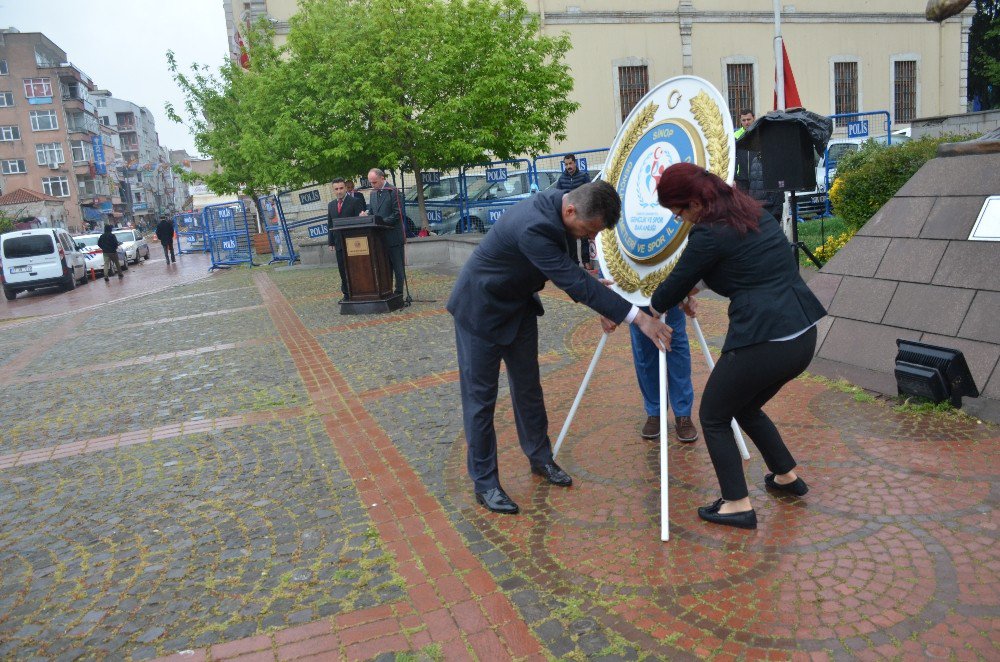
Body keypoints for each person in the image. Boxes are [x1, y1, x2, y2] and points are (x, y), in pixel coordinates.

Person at [448, 180, 674, 515]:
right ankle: (485, 483)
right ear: (571, 211)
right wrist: (640, 320)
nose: (590, 239)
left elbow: (569, 272)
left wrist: (598, 300)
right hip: (479, 311)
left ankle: (540, 459)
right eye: (588, 231)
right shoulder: (535, 226)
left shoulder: (561, 206)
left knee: (528, 389)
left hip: (519, 306)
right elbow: (573, 280)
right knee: (481, 400)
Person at [649, 162, 826, 529]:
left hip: (765, 339)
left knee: (713, 415)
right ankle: (786, 477)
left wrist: (646, 308)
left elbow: (669, 289)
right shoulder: (751, 212)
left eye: (680, 210)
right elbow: (742, 266)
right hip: (802, 333)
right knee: (745, 407)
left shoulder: (708, 234)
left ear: (695, 200)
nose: (681, 218)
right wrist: (691, 289)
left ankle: (737, 504)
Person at [630, 303, 699, 443]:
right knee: (644, 354)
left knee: (677, 349)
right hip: (636, 297)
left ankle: (683, 414)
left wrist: (689, 290)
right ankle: (655, 412)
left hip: (671, 293)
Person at [364, 168, 406, 295]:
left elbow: (398, 214)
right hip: (379, 238)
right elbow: (372, 213)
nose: (373, 185)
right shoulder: (372, 194)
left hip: (393, 236)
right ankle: (387, 290)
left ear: (382, 178)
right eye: (371, 183)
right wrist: (366, 216)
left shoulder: (393, 191)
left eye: (375, 182)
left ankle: (399, 292)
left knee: (398, 267)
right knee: (385, 267)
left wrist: (381, 222)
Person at [327, 177, 364, 298]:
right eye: (336, 189)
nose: (339, 191)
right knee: (342, 269)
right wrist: (331, 242)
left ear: (345, 188)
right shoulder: (331, 205)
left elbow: (360, 223)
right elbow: (330, 224)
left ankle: (359, 291)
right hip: (339, 243)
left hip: (353, 243)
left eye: (341, 188)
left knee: (356, 268)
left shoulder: (355, 202)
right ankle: (346, 293)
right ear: (333, 190)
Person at [555, 154, 593, 268]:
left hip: (582, 211)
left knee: (584, 237)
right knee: (570, 238)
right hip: (569, 213)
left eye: (570, 163)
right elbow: (558, 195)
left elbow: (590, 192)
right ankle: (574, 263)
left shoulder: (583, 176)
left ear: (575, 163)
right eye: (566, 164)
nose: (568, 166)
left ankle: (586, 261)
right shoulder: (561, 179)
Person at [733, 109, 755, 192]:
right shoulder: (735, 136)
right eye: (744, 120)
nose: (746, 122)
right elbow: (731, 158)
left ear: (754, 118)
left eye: (749, 119)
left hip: (757, 179)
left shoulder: (759, 134)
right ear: (740, 121)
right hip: (741, 179)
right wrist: (733, 177)